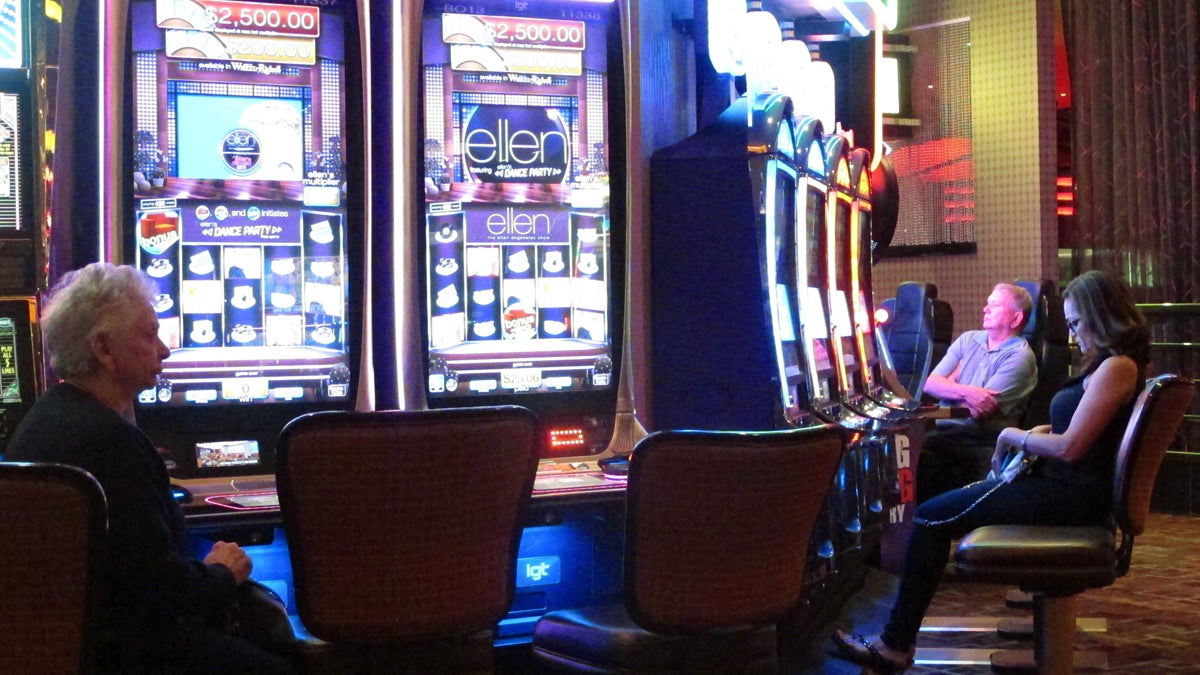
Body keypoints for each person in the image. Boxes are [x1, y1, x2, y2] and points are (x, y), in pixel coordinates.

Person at [831, 270, 1150, 672]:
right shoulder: (1112, 364)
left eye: (1077, 324)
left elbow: (1071, 449)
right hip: (1064, 487)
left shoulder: (1116, 366)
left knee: (931, 516)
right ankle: (896, 632)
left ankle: (895, 643)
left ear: (1103, 316)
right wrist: (1037, 430)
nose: (1073, 335)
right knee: (936, 501)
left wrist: (1015, 436)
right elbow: (1082, 428)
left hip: (1069, 494)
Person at [5, 263, 294, 674]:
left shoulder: (54, 416)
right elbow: (157, 592)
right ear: (104, 349)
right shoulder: (107, 441)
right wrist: (222, 572)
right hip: (126, 653)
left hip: (72, 647)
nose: (164, 349)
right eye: (148, 334)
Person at [916, 282, 1039, 502]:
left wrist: (951, 386)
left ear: (1016, 318)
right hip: (944, 436)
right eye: (987, 303)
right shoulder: (968, 339)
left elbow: (979, 411)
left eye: (995, 305)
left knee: (971, 501)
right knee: (911, 465)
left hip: (985, 443)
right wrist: (970, 392)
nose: (986, 309)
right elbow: (930, 384)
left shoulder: (1020, 357)